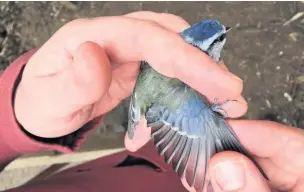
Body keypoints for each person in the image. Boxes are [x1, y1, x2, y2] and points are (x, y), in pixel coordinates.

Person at [0, 11, 303, 192]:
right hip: (162, 132)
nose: (222, 43)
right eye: (218, 41)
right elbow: (197, 141)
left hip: (131, 155)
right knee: (209, 123)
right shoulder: (182, 98)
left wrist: (14, 118)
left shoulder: (176, 64)